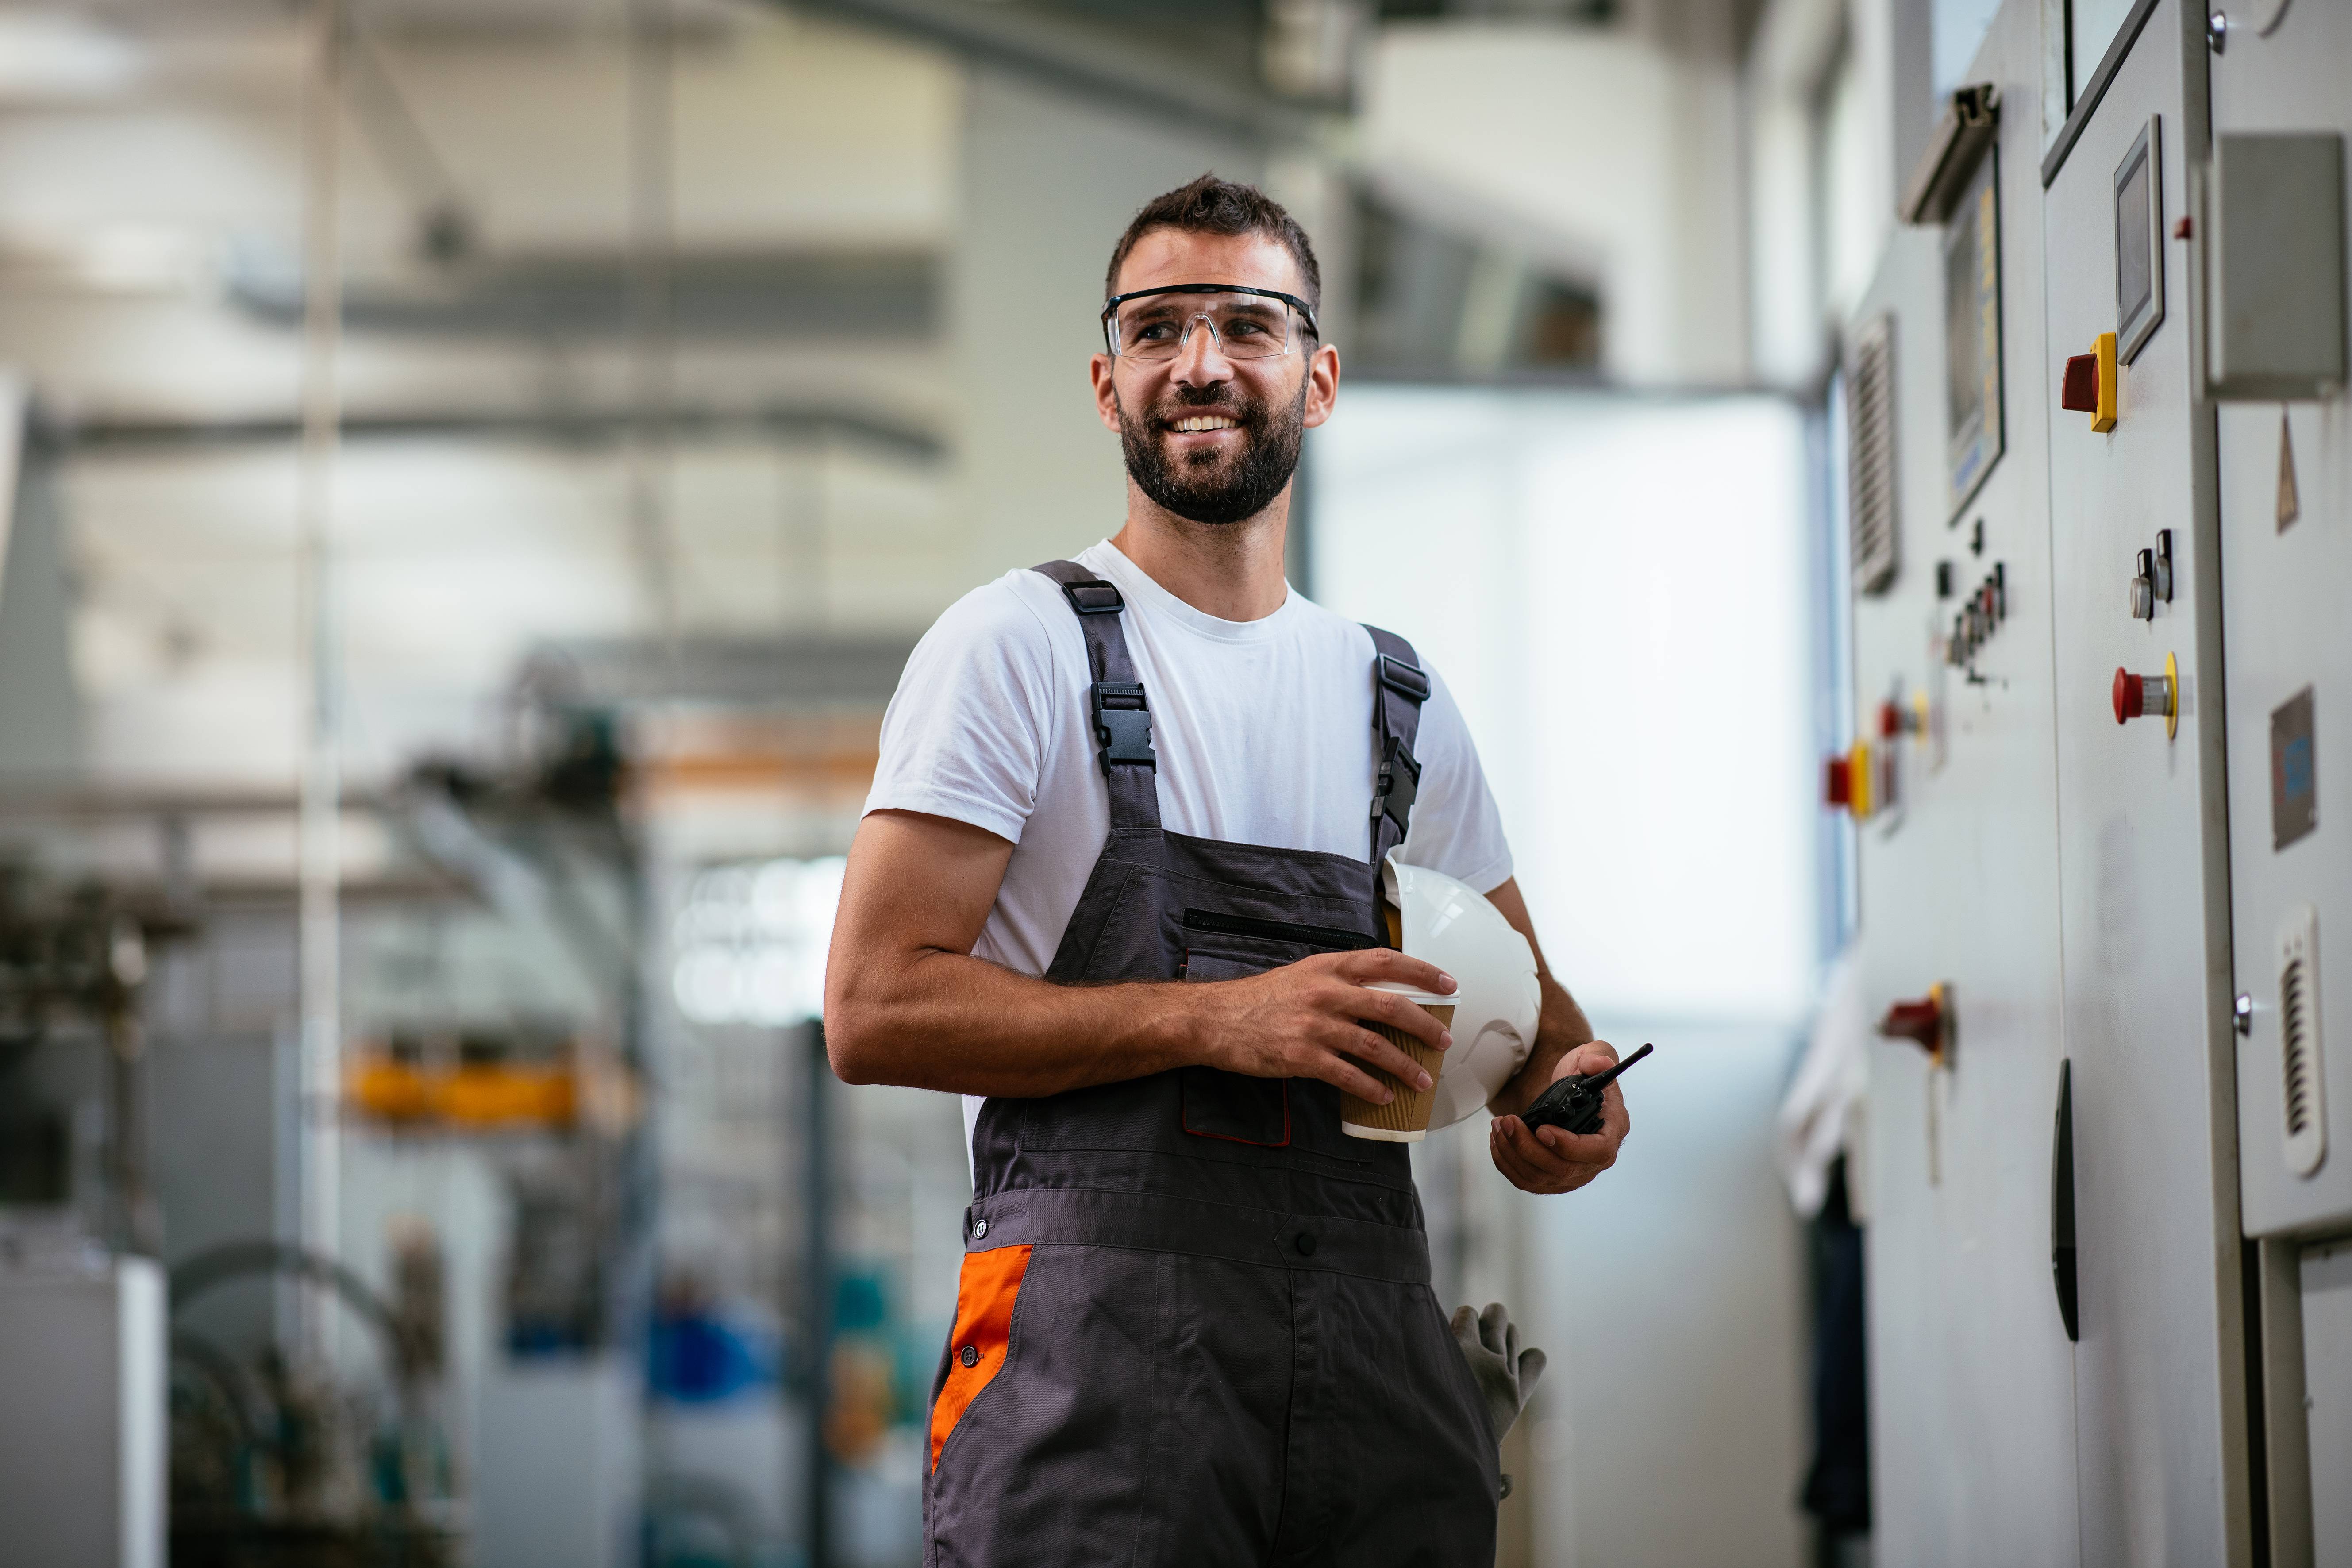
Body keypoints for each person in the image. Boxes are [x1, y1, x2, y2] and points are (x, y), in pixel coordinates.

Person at [824, 173, 1630, 1566]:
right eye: (1158, 329)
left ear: (1316, 378)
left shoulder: (1398, 698)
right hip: (1095, 1364)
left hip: (1370, 1352)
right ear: (1106, 380)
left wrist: (1562, 1110)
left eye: (1245, 326)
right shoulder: (1014, 647)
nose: (1198, 363)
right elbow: (874, 1010)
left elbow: (1537, 1041)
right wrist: (1222, 1019)